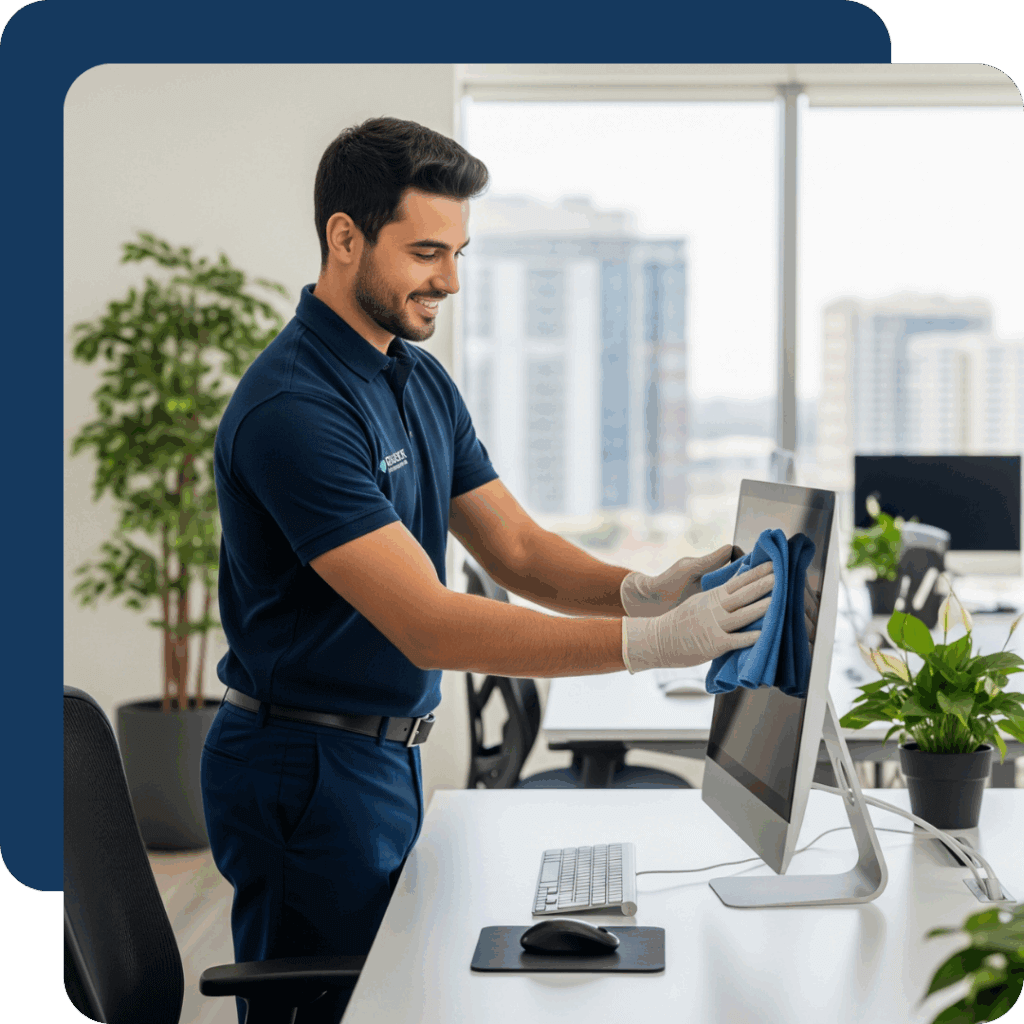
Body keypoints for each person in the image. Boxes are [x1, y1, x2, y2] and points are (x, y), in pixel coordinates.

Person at [200, 116, 778, 1024]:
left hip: (381, 755)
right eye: (426, 251)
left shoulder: (415, 378)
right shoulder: (294, 407)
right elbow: (429, 623)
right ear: (344, 237)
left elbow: (515, 551)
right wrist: (652, 644)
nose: (451, 280)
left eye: (459, 251)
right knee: (325, 1011)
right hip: (302, 765)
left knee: (388, 998)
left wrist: (639, 588)